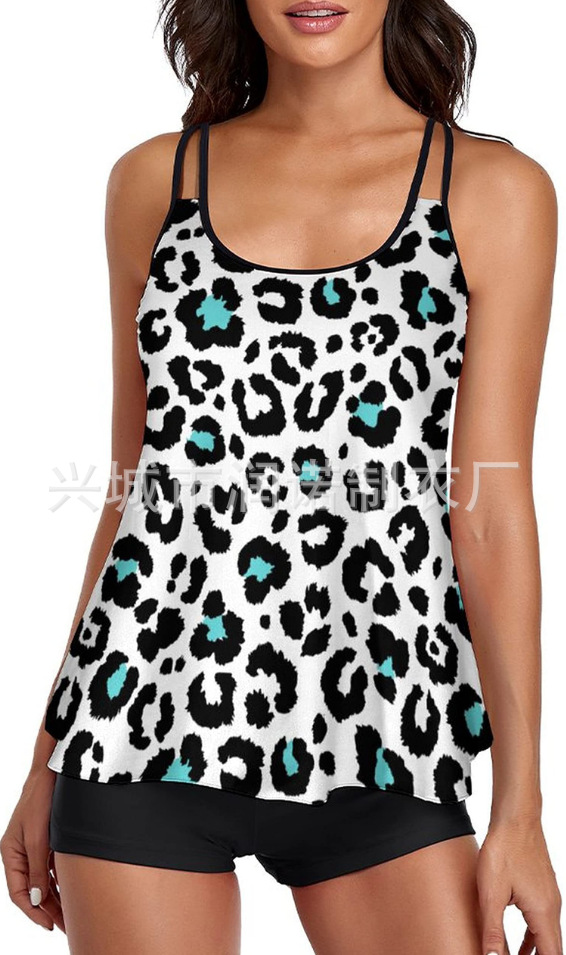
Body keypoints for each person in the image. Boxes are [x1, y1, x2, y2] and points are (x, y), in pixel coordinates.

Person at [1, 1, 562, 952]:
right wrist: (47, 756)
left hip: (383, 732)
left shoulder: (490, 191)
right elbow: (136, 495)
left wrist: (521, 807)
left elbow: (491, 511)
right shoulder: (155, 182)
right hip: (136, 729)